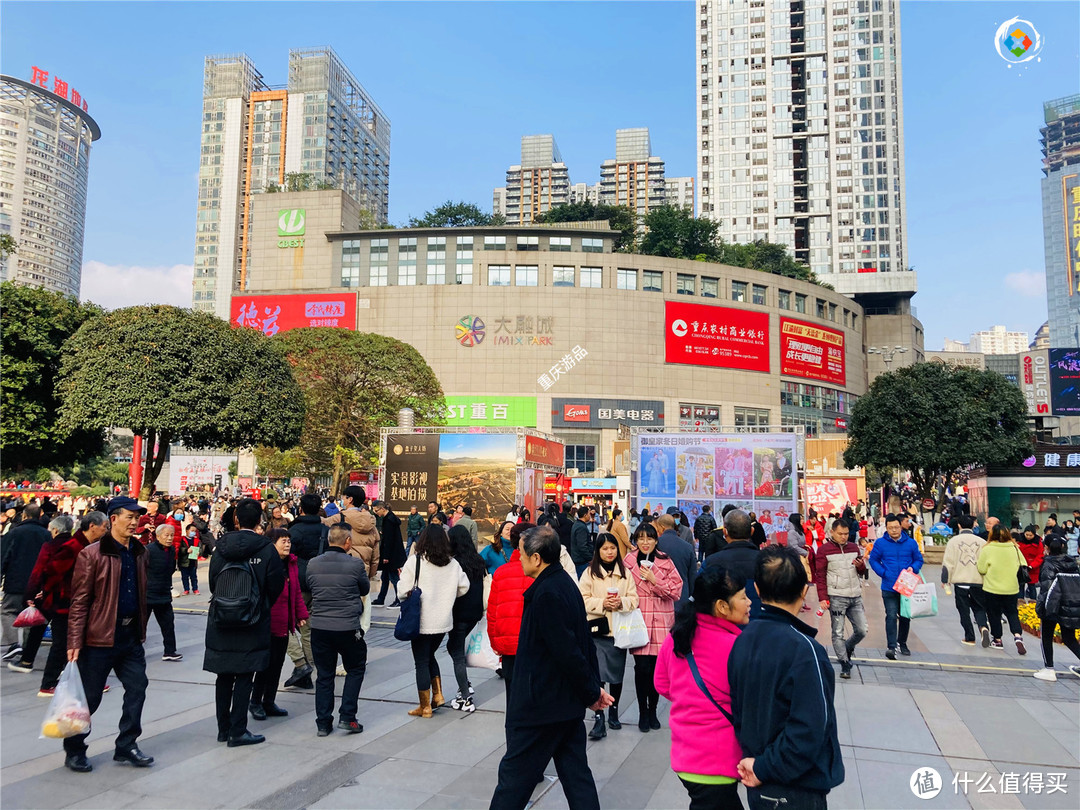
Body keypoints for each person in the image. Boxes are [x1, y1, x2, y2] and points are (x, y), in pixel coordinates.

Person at [489, 526, 611, 810]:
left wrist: (592, 691)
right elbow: (583, 645)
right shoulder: (564, 583)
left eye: (521, 554)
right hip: (563, 704)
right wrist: (591, 689)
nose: (518, 559)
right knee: (576, 776)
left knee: (514, 780)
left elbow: (569, 652)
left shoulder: (547, 594)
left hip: (542, 706)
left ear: (536, 558)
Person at [728, 546, 844, 809]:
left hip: (756, 776)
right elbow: (811, 727)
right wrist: (765, 767)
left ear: (756, 589)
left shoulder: (742, 640)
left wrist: (756, 764)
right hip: (794, 784)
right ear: (804, 591)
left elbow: (739, 710)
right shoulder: (805, 650)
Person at [63, 496, 154, 774]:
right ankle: (75, 749)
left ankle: (126, 745)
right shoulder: (91, 554)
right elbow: (80, 600)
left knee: (138, 688)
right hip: (99, 638)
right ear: (113, 519)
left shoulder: (140, 552)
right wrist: (74, 641)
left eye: (137, 517)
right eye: (129, 516)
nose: (135, 522)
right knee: (90, 698)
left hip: (129, 637)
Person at [655, 566, 750, 810]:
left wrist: (691, 696)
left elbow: (662, 684)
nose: (749, 602)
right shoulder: (736, 646)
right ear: (721, 606)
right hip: (716, 762)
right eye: (743, 596)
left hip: (686, 755)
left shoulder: (677, 636)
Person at [203, 498, 285, 747]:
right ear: (260, 520)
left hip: (221, 620)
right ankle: (238, 730)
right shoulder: (265, 548)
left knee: (224, 675)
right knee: (244, 675)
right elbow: (276, 584)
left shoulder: (222, 547)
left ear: (236, 519)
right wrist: (259, 605)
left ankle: (223, 729)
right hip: (253, 620)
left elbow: (213, 581)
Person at [26, 512, 109, 696]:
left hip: (81, 604)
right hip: (65, 605)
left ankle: (88, 680)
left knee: (83, 643)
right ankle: (48, 684)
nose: (106, 530)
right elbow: (51, 570)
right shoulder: (73, 547)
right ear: (92, 526)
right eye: (104, 526)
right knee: (62, 645)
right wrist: (47, 592)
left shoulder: (89, 546)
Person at [398, 525, 469, 718]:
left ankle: (425, 706)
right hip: (443, 621)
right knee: (429, 656)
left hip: (420, 621)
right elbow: (464, 587)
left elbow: (402, 591)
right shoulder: (452, 564)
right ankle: (437, 696)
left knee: (421, 662)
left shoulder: (415, 562)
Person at [305, 522, 369, 735]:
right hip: (347, 626)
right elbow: (365, 588)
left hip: (320, 627)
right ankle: (348, 716)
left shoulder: (313, 564)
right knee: (356, 667)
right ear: (348, 542)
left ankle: (323, 723)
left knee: (324, 675)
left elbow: (311, 586)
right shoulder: (355, 565)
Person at [579, 532, 639, 740]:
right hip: (597, 630)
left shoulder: (625, 573)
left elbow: (634, 598)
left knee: (616, 675)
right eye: (605, 548)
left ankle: (613, 711)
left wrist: (621, 602)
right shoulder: (589, 573)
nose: (609, 552)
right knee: (598, 676)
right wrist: (601, 603)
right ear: (598, 551)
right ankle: (599, 716)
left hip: (618, 631)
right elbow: (582, 599)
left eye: (612, 548)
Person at [623, 522, 682, 732]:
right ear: (636, 540)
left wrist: (655, 580)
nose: (645, 542)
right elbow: (624, 589)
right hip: (639, 622)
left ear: (656, 540)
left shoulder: (665, 561)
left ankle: (653, 709)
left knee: (657, 669)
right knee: (641, 669)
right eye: (641, 538)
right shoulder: (628, 561)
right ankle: (642, 712)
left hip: (660, 622)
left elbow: (676, 591)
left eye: (649, 538)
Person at [250, 529, 308, 720]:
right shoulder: (265, 563)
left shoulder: (291, 563)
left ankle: (269, 701)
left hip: (284, 623)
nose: (287, 544)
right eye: (283, 541)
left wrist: (300, 614)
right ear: (272, 543)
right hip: (266, 622)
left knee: (276, 665)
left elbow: (296, 591)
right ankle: (255, 702)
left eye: (289, 541)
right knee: (264, 666)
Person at [811, 519, 867, 679]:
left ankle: (847, 647)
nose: (844, 537)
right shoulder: (823, 550)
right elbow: (820, 576)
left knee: (862, 630)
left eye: (846, 534)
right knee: (837, 632)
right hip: (836, 596)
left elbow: (862, 571)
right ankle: (844, 663)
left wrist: (860, 565)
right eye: (840, 534)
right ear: (832, 532)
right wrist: (823, 597)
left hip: (855, 595)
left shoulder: (853, 547)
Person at [284, 492, 327, 690]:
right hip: (319, 581)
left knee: (288, 624)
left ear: (300, 508)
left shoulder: (294, 531)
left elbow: (287, 556)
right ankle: (310, 669)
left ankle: (301, 665)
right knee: (308, 628)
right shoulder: (326, 530)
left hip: (297, 582)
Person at [869, 513, 923, 660]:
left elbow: (918, 559)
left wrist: (913, 568)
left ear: (901, 527)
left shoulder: (911, 543)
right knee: (891, 615)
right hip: (888, 585)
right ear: (886, 528)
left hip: (906, 586)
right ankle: (891, 646)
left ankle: (903, 643)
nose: (894, 530)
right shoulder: (880, 543)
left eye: (896, 527)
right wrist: (883, 572)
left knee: (905, 616)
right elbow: (873, 560)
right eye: (890, 527)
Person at [1, 503, 50, 662]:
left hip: (16, 580)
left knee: (8, 611)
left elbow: (4, 556)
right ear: (39, 515)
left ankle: (14, 644)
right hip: (38, 583)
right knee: (33, 616)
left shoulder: (15, 533)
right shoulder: (46, 535)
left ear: (24, 515)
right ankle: (28, 651)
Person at [447, 525, 487, 712]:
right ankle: (466, 683)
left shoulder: (454, 563)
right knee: (455, 648)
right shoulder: (477, 560)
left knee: (457, 654)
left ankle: (465, 696)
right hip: (475, 613)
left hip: (458, 614)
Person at [1033, 536, 1080, 681]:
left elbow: (1046, 590)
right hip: (1068, 606)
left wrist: (1041, 608)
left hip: (1052, 607)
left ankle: (1049, 669)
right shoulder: (1072, 563)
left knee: (1046, 637)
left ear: (1046, 548)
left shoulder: (1048, 564)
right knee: (1069, 638)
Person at [976, 524, 1027, 655]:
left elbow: (981, 569)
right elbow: (1024, 564)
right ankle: (1017, 636)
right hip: (1011, 587)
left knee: (994, 614)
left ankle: (997, 639)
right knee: (1012, 612)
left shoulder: (988, 549)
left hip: (992, 588)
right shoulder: (1014, 548)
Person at [941, 514, 990, 647]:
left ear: (959, 525)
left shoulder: (953, 541)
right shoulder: (981, 542)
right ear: (973, 525)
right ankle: (983, 627)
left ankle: (970, 637)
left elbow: (948, 563)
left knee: (964, 610)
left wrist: (946, 580)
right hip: (978, 581)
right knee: (979, 608)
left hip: (961, 582)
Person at [323, 486, 380, 583]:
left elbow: (322, 524)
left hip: (341, 570)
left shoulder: (338, 518)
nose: (342, 500)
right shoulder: (371, 524)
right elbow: (375, 557)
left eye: (344, 497)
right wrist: (368, 576)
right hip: (362, 572)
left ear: (350, 499)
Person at [146, 524, 182, 662]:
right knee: (140, 627)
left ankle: (170, 651)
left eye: (171, 535)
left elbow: (171, 568)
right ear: (158, 536)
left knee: (168, 624)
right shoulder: (148, 550)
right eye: (166, 535)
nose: (169, 538)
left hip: (164, 593)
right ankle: (133, 653)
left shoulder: (171, 550)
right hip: (148, 594)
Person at [654, 514, 697, 611]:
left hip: (660, 597)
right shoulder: (687, 547)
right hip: (682, 597)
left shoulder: (656, 544)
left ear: (661, 527)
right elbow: (692, 575)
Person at [371, 501, 405, 607]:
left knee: (394, 578)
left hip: (391, 555)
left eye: (376, 510)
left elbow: (389, 540)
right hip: (392, 553)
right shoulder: (390, 518)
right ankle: (381, 598)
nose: (375, 513)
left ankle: (399, 599)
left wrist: (386, 556)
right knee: (385, 577)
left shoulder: (389, 520)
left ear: (382, 509)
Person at [1018, 525, 1044, 602]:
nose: (1028, 537)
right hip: (1021, 566)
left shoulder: (1038, 543)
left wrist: (1032, 566)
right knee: (1021, 585)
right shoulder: (1019, 540)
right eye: (1027, 535)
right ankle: (1020, 603)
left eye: (1031, 535)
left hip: (1032, 568)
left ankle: (1033, 604)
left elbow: (1040, 556)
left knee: (1032, 586)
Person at [570, 505, 594, 577]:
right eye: (589, 514)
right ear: (585, 515)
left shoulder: (577, 524)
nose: (590, 516)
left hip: (578, 559)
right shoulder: (581, 527)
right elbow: (582, 546)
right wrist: (590, 558)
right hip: (581, 560)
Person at [177, 522, 200, 595]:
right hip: (184, 562)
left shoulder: (197, 540)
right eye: (192, 530)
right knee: (184, 577)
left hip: (193, 561)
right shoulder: (182, 540)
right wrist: (186, 550)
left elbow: (200, 549)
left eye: (194, 531)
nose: (193, 532)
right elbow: (179, 549)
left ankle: (195, 589)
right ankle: (186, 589)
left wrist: (199, 553)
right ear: (187, 531)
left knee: (194, 577)